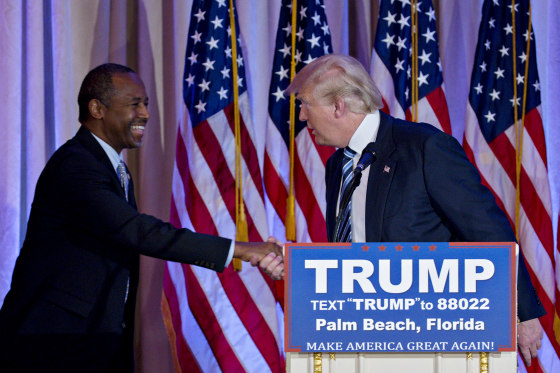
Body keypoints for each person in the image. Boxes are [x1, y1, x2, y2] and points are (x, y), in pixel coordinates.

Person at [0, 63, 283, 372]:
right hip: (51, 345)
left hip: (95, 342)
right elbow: (138, 231)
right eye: (134, 103)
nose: (145, 113)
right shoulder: (76, 165)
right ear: (97, 108)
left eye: (146, 103)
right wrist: (240, 249)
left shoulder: (112, 169)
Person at [286, 54, 544, 366]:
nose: (301, 116)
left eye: (305, 104)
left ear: (338, 106)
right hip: (363, 333)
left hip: (433, 333)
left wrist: (520, 313)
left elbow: (487, 230)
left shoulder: (424, 148)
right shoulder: (336, 166)